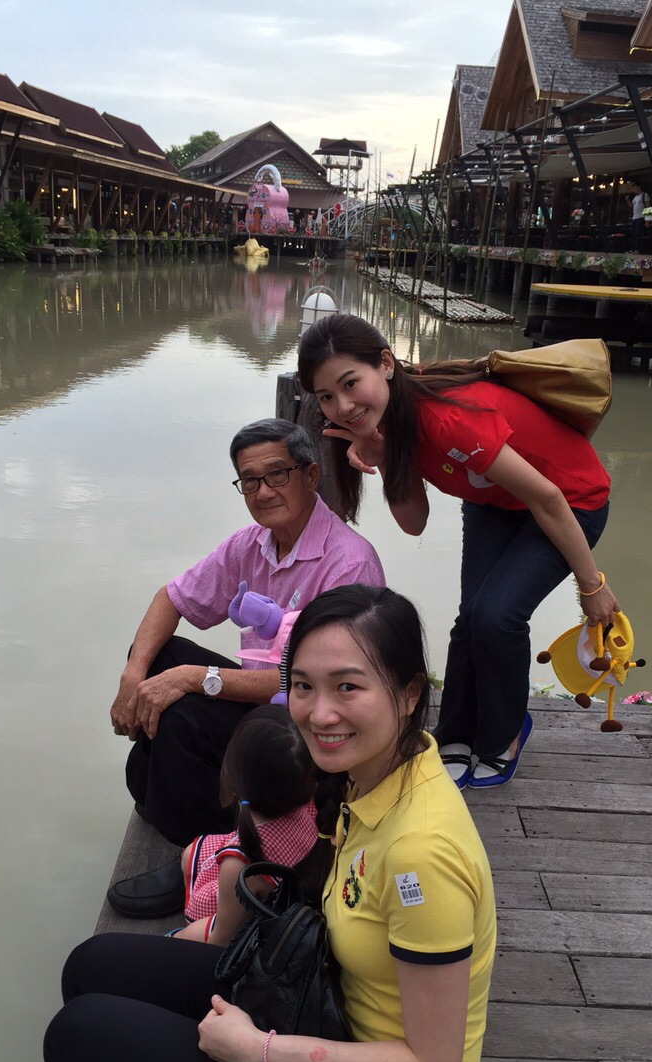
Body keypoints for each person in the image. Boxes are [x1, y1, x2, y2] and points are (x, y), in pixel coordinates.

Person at [44, 585, 496, 1062]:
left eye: (349, 687)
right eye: (304, 686)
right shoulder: (378, 775)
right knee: (94, 968)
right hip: (328, 1010)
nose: (320, 713)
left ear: (407, 694)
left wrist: (256, 1050)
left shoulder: (420, 856)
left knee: (78, 1040)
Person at [297, 313, 617, 789]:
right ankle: (457, 734)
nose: (342, 406)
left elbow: (548, 498)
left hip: (571, 500)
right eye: (326, 396)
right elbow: (415, 523)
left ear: (385, 363)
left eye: (350, 384)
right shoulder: (388, 419)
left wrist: (591, 586)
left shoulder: (448, 419)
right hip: (495, 501)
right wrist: (383, 459)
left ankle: (505, 732)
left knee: (496, 616)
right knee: (471, 618)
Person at [107, 417, 384, 918]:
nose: (263, 491)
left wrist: (197, 679)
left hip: (317, 728)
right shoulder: (249, 544)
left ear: (310, 475)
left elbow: (315, 685)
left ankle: (202, 851)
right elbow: (171, 598)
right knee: (155, 657)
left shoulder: (348, 563)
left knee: (186, 707)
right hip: (271, 707)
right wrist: (135, 676)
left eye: (277, 474)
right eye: (249, 480)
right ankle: (171, 801)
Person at [114, 704, 321, 934]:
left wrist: (177, 938)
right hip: (281, 872)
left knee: (179, 936)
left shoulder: (240, 866)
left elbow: (220, 939)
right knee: (191, 852)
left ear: (234, 779)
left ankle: (184, 921)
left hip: (241, 915)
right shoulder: (310, 799)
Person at [626, 180, 649, 251]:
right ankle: (633, 249)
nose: (634, 190)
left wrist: (647, 220)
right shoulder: (635, 197)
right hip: (634, 218)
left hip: (641, 217)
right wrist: (627, 200)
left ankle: (637, 249)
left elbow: (648, 208)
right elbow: (631, 205)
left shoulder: (644, 195)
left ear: (639, 187)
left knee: (637, 234)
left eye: (635, 188)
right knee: (633, 234)